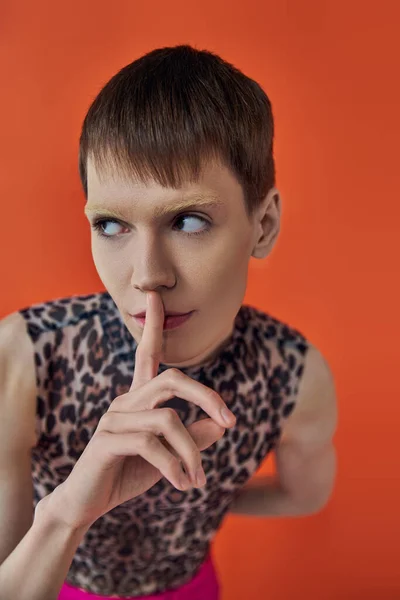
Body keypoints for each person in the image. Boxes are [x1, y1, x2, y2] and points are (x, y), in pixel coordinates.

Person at [0, 44, 337, 600]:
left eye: (187, 220)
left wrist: (203, 490)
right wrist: (65, 516)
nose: (147, 275)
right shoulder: (23, 357)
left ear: (264, 224)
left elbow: (307, 497)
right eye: (110, 225)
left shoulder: (293, 378)